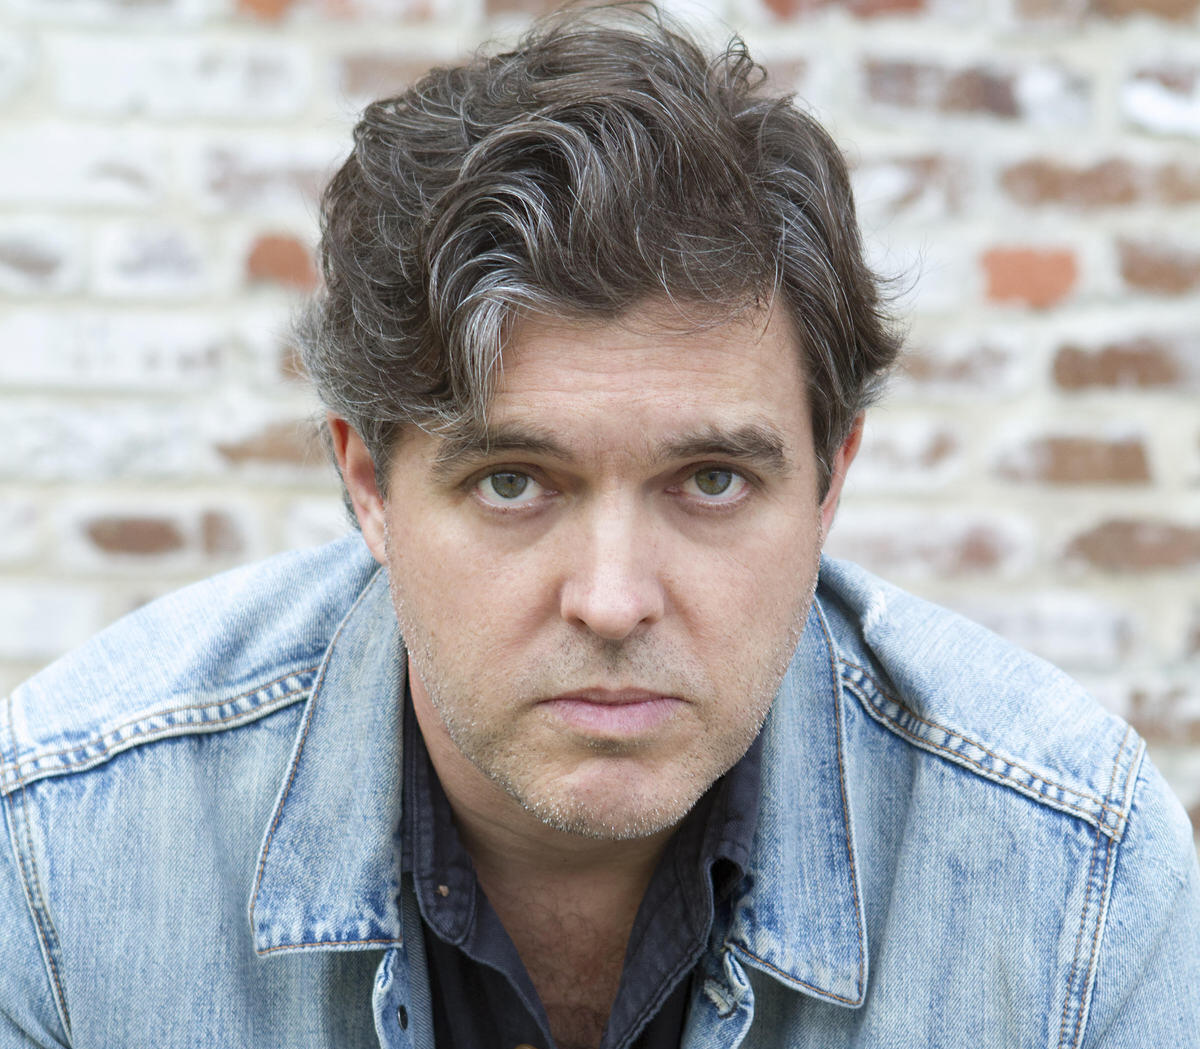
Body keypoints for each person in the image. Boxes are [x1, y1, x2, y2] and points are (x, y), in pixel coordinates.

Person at [2, 4, 1197, 1047]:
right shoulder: (63, 857)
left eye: (712, 480)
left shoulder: (1073, 886)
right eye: (514, 482)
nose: (614, 599)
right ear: (367, 481)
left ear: (832, 479)